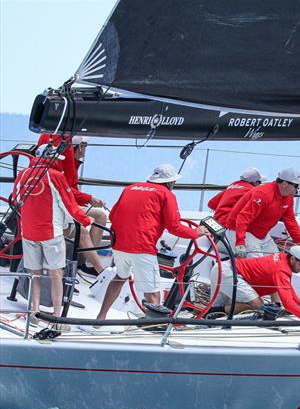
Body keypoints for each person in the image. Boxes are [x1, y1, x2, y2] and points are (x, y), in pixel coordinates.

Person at [93, 164, 208, 321]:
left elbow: (112, 216)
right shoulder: (166, 195)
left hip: (119, 244)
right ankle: (153, 327)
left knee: (120, 277)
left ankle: (100, 317)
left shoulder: (130, 188)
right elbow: (174, 227)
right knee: (152, 291)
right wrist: (196, 232)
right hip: (143, 248)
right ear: (170, 182)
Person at [14, 145, 93, 328]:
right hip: (51, 232)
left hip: (29, 232)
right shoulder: (56, 176)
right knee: (56, 273)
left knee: (35, 273)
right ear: (51, 158)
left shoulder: (23, 174)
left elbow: (17, 198)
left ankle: (34, 311)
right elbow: (69, 204)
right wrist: (85, 220)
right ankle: (56, 317)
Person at [37, 133, 108, 275]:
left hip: (61, 206)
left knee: (94, 220)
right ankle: (96, 269)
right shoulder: (61, 167)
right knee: (84, 228)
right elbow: (66, 191)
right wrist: (89, 200)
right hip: (58, 210)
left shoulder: (66, 164)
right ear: (80, 147)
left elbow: (67, 191)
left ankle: (89, 263)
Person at [210, 246, 300, 320]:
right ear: (293, 259)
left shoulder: (283, 257)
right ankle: (216, 312)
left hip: (223, 269)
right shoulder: (281, 269)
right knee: (259, 305)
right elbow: (288, 303)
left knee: (213, 311)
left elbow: (288, 287)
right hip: (228, 273)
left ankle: (213, 312)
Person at [225, 167, 300, 258]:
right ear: (284, 184)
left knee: (276, 262)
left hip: (260, 234)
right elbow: (243, 217)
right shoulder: (264, 194)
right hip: (242, 231)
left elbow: (290, 220)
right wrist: (240, 242)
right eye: (296, 186)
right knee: (256, 265)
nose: (298, 189)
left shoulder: (288, 198)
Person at [207, 167, 264, 237]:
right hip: (231, 230)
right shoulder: (252, 191)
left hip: (215, 228)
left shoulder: (232, 186)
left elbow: (211, 203)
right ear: (254, 182)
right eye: (259, 182)